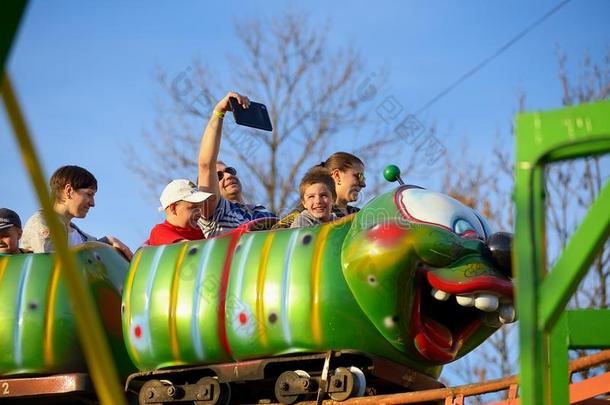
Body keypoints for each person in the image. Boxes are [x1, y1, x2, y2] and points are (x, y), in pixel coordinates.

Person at [197, 91, 276, 238]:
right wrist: (219, 112)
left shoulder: (261, 211)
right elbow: (206, 165)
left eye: (229, 170)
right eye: (218, 176)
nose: (227, 175)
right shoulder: (215, 213)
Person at [21, 165, 133, 259]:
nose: (92, 203)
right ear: (69, 191)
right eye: (89, 194)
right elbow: (52, 269)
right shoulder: (42, 224)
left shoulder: (80, 235)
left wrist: (108, 241)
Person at [274, 152, 367, 229]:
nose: (363, 184)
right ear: (337, 175)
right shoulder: (309, 211)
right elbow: (277, 233)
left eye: (363, 179)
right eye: (359, 177)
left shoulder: (358, 214)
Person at [147, 179, 213, 246]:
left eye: (200, 207)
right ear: (174, 208)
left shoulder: (196, 231)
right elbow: (185, 248)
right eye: (193, 207)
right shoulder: (159, 232)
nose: (199, 212)